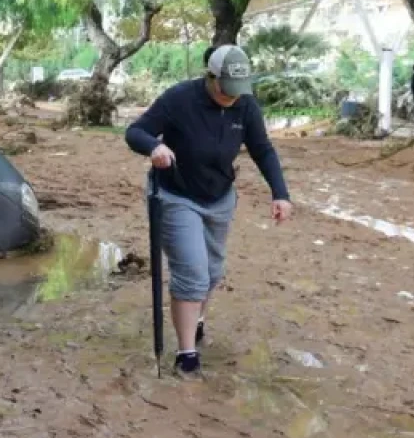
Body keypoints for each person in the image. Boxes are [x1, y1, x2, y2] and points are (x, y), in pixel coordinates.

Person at [125, 44, 292, 379]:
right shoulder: (179, 99)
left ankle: (196, 317)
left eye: (238, 91)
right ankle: (186, 355)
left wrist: (280, 193)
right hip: (175, 195)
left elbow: (262, 149)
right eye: (227, 89)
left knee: (213, 272)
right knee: (192, 273)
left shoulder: (245, 105)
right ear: (211, 77)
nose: (232, 98)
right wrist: (154, 146)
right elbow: (135, 131)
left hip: (219, 197)